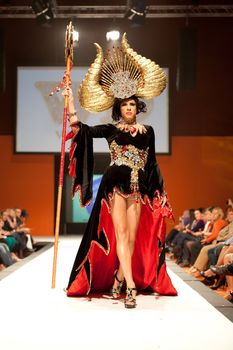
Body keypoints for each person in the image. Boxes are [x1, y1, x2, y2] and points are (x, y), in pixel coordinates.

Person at [65, 33, 177, 308]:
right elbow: (83, 130)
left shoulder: (147, 131)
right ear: (119, 108)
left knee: (131, 236)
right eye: (124, 105)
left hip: (137, 189)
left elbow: (151, 163)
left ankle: (118, 277)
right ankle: (130, 288)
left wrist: (159, 192)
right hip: (115, 188)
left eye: (132, 104)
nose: (128, 108)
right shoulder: (111, 130)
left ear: (137, 107)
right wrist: (69, 101)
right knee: (121, 235)